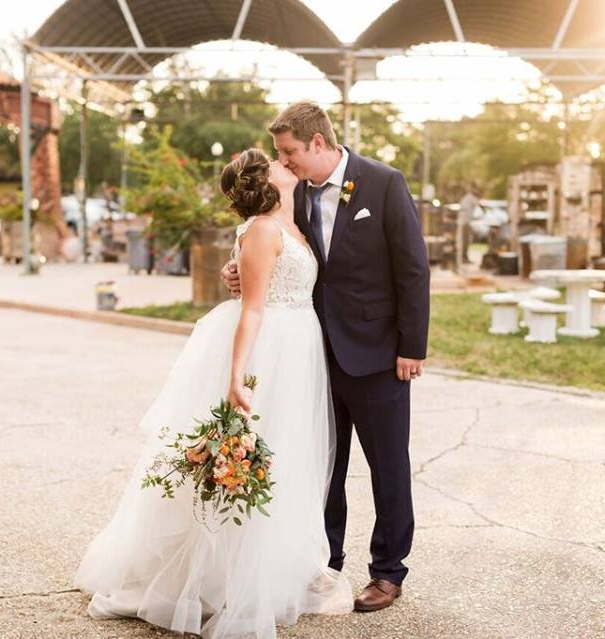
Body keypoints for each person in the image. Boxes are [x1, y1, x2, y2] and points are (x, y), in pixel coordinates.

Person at [75, 148, 353, 638]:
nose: (285, 165)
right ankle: (222, 578)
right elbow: (251, 309)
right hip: (270, 351)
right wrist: (236, 375)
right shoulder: (264, 229)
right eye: (275, 163)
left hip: (299, 349)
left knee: (286, 457)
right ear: (264, 183)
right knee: (253, 456)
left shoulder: (293, 222)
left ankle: (271, 567)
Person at [221, 102, 430, 612]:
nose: (284, 162)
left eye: (289, 151)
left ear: (318, 143)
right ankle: (325, 562)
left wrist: (411, 347)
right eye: (279, 154)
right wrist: (238, 272)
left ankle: (387, 571)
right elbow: (279, 255)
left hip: (380, 355)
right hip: (315, 356)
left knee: (387, 467)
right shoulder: (292, 197)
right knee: (322, 465)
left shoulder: (383, 182)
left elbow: (413, 269)